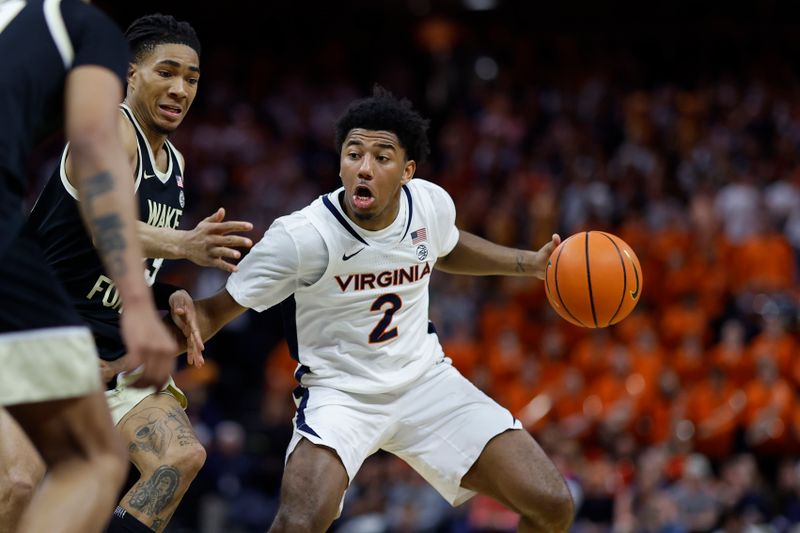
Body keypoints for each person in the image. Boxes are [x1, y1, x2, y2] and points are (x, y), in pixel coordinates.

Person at [172, 87, 575, 532]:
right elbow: (212, 313)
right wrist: (141, 349)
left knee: (552, 504)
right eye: (353, 154)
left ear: (407, 170)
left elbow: (448, 247)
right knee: (298, 523)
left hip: (425, 382)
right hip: (340, 394)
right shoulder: (302, 237)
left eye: (381, 157)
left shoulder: (429, 203)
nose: (364, 167)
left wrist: (529, 264)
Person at [8, 13, 252, 533]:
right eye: (167, 72)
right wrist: (186, 245)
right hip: (38, 339)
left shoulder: (175, 164)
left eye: (192, 78)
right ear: (131, 73)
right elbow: (106, 228)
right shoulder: (108, 134)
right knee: (16, 485)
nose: (180, 88)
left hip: (108, 355)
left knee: (180, 458)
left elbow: (126, 264)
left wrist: (170, 294)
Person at [0, 1, 177, 532]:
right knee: (90, 459)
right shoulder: (80, 26)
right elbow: (97, 157)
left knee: (18, 481)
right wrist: (141, 307)